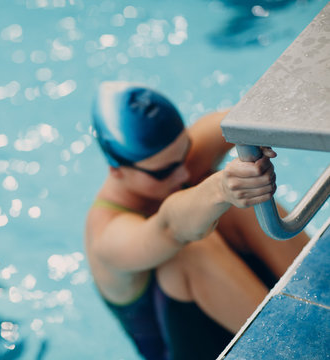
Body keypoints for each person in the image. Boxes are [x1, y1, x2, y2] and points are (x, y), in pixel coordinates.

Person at [85, 81, 309, 360]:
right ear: (116, 170)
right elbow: (169, 227)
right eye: (164, 171)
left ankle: (320, 289)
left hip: (246, 303)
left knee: (231, 199)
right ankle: (300, 350)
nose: (181, 174)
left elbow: (253, 115)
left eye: (185, 152)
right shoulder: (108, 234)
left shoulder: (175, 163)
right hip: (200, 350)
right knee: (190, 245)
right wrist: (221, 188)